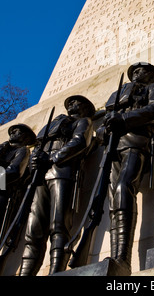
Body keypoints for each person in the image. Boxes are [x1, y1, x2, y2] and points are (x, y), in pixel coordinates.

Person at [96, 62, 154, 274]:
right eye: (134, 71)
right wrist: (103, 132)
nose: (137, 73)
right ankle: (118, 256)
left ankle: (123, 258)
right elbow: (103, 124)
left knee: (123, 189)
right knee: (113, 200)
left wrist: (124, 119)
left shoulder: (153, 88)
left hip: (137, 141)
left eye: (142, 70)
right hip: (112, 147)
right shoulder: (119, 95)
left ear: (151, 75)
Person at [19, 95, 95, 276]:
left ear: (85, 108)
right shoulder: (52, 127)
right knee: (33, 231)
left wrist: (52, 158)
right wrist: (35, 162)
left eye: (77, 103)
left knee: (58, 224)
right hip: (40, 176)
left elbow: (79, 142)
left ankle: (56, 272)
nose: (72, 105)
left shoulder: (83, 122)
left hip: (62, 172)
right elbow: (38, 148)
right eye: (70, 103)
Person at [0, 124, 36, 238]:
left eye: (17, 132)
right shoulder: (4, 149)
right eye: (12, 131)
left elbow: (14, 171)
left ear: (25, 138)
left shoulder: (22, 150)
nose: (13, 133)